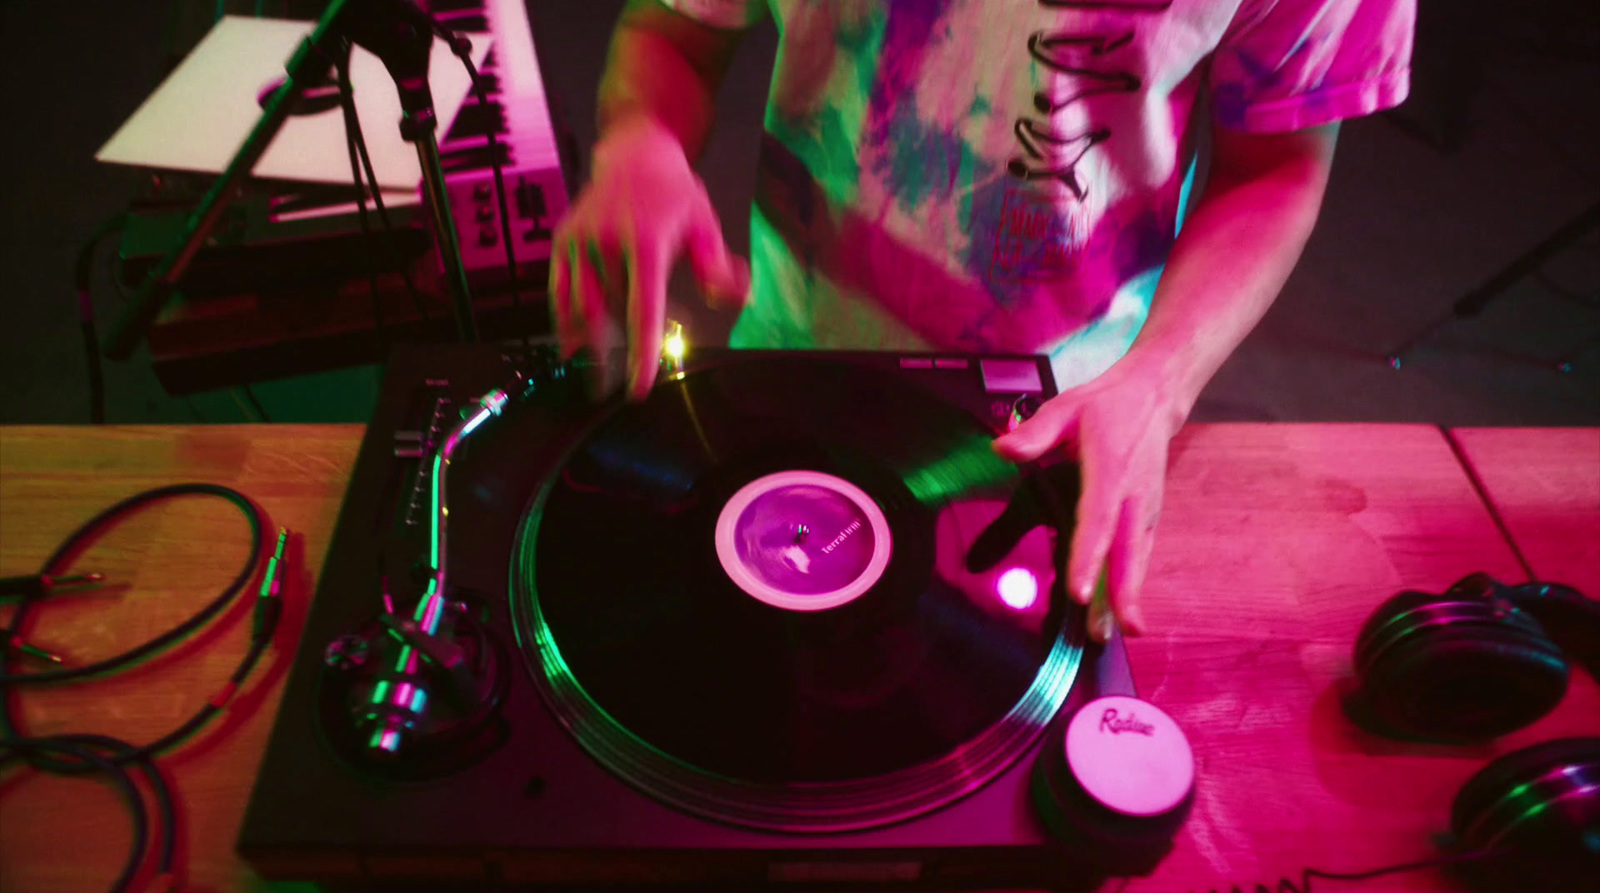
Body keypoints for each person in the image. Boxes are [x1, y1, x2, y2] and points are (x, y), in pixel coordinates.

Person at [547, 0, 1416, 641]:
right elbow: (673, 31)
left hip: (1073, 414)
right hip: (792, 355)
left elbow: (1276, 165)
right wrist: (642, 140)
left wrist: (1162, 378)